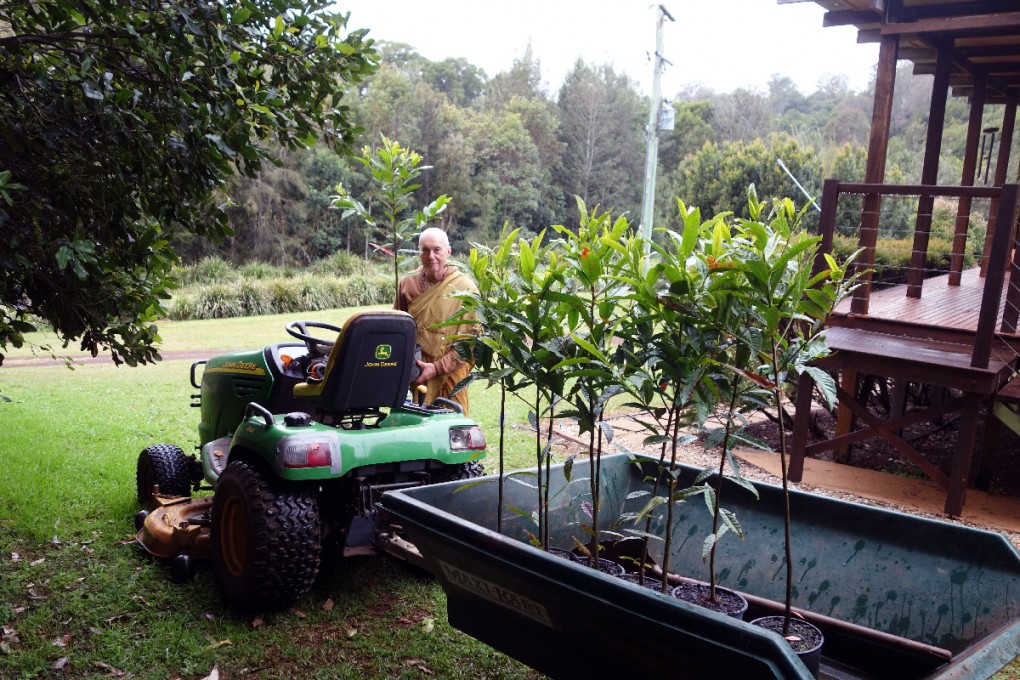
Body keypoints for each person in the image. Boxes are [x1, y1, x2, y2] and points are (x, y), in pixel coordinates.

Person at [395, 227, 479, 414]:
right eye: (425, 250)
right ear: (419, 252)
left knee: (451, 427)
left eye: (437, 250)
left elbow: (471, 342)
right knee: (414, 422)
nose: (431, 255)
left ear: (448, 252)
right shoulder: (407, 284)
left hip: (451, 373)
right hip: (416, 371)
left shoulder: (466, 288)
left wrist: (437, 367)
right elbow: (398, 329)